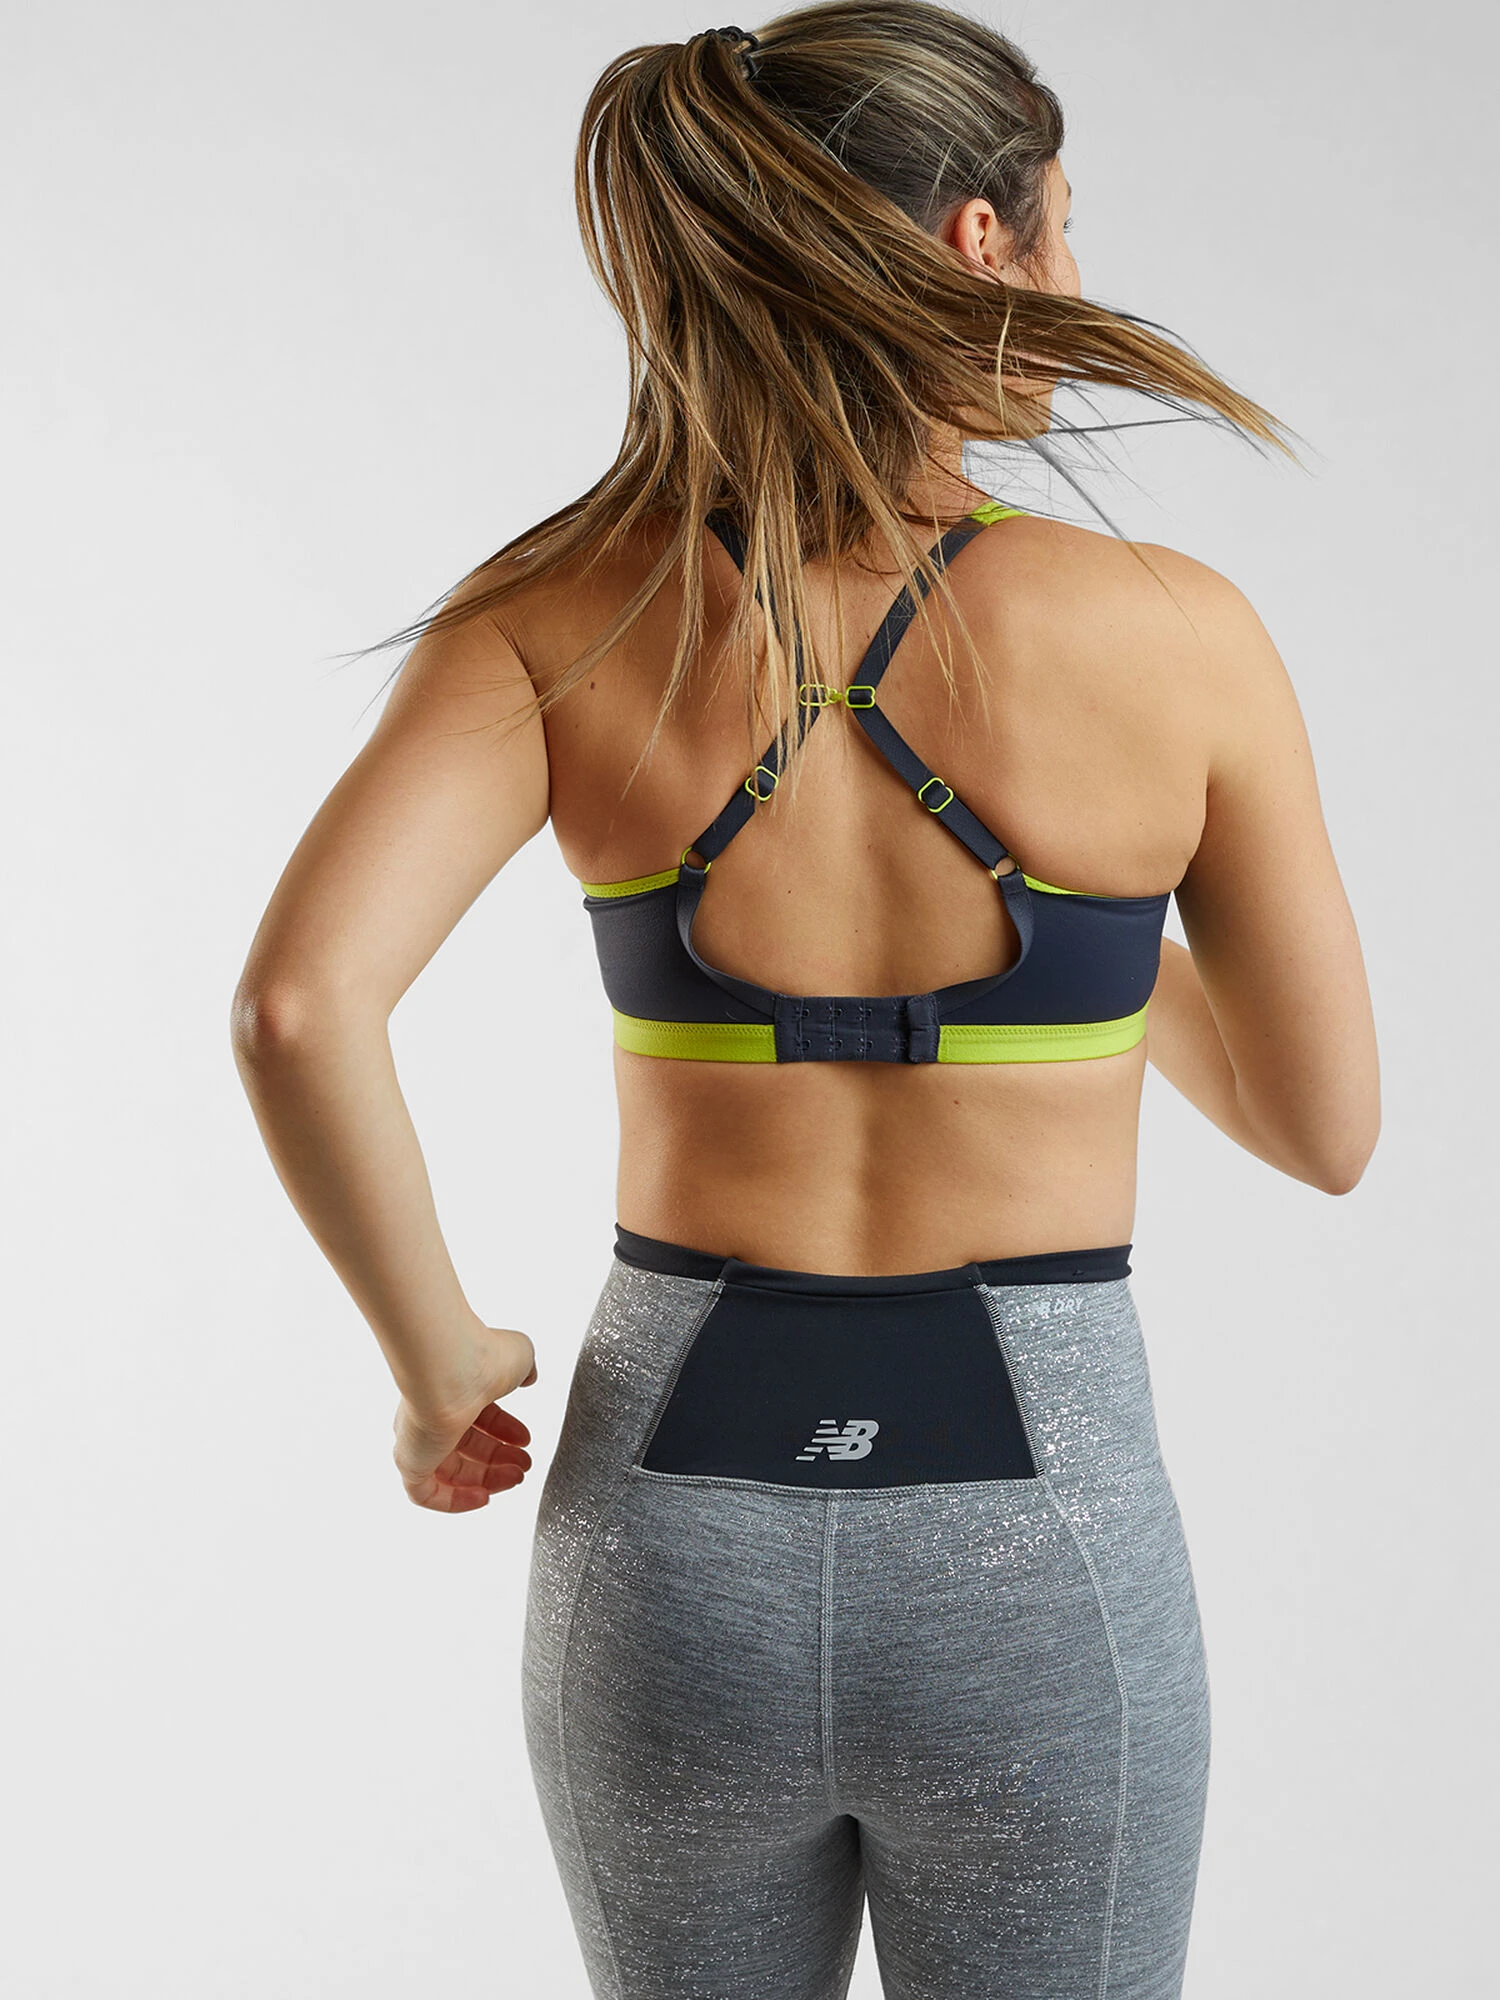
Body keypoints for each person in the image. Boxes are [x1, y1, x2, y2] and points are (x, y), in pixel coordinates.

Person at [232, 4, 1380, 1994]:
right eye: (1067, 222)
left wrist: (436, 1364)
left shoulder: (559, 613)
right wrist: (1072, 934)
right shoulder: (1178, 635)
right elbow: (1322, 1127)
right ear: (978, 240)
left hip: (670, 1549)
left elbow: (298, 1008)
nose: (1078, 273)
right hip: (1039, 1555)